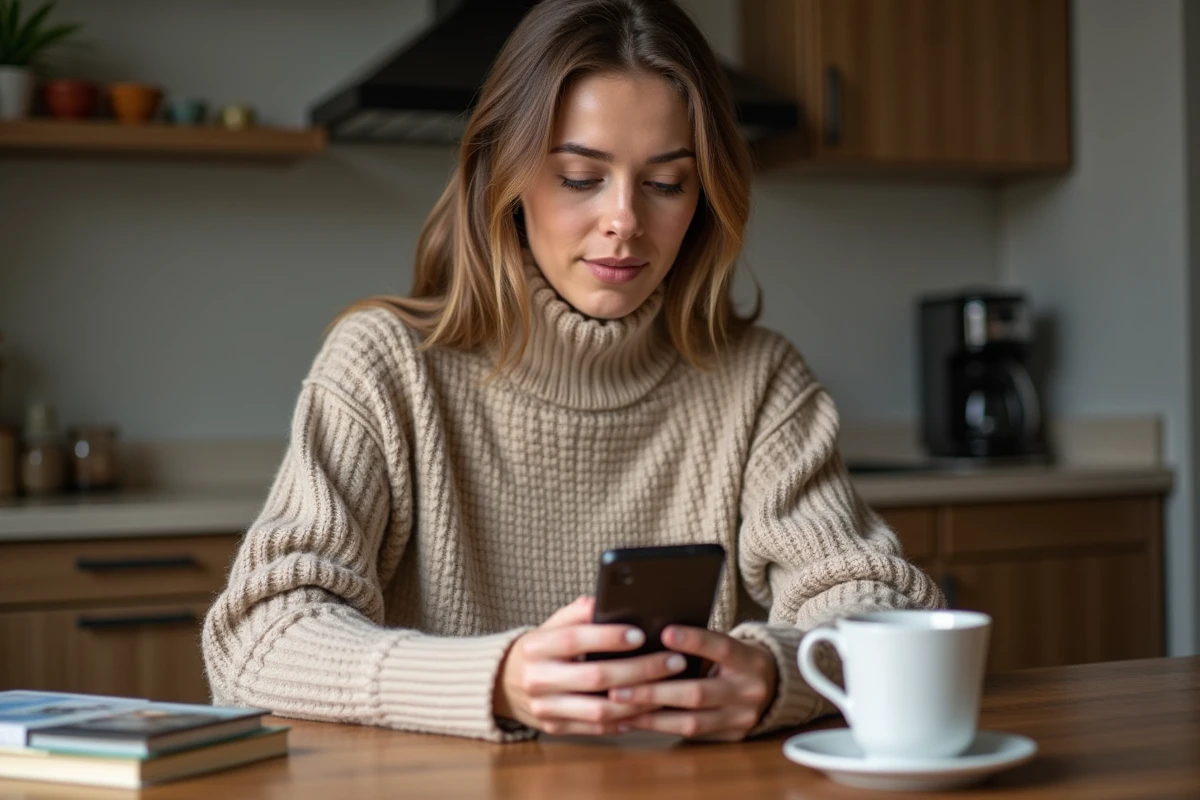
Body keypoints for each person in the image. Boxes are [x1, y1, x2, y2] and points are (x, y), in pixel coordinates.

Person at [202, 0, 943, 743]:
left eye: (665, 184)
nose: (624, 219)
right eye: (581, 176)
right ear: (509, 179)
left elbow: (882, 605)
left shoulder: (760, 382)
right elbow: (256, 638)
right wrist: (498, 679)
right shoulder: (384, 367)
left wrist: (780, 674)